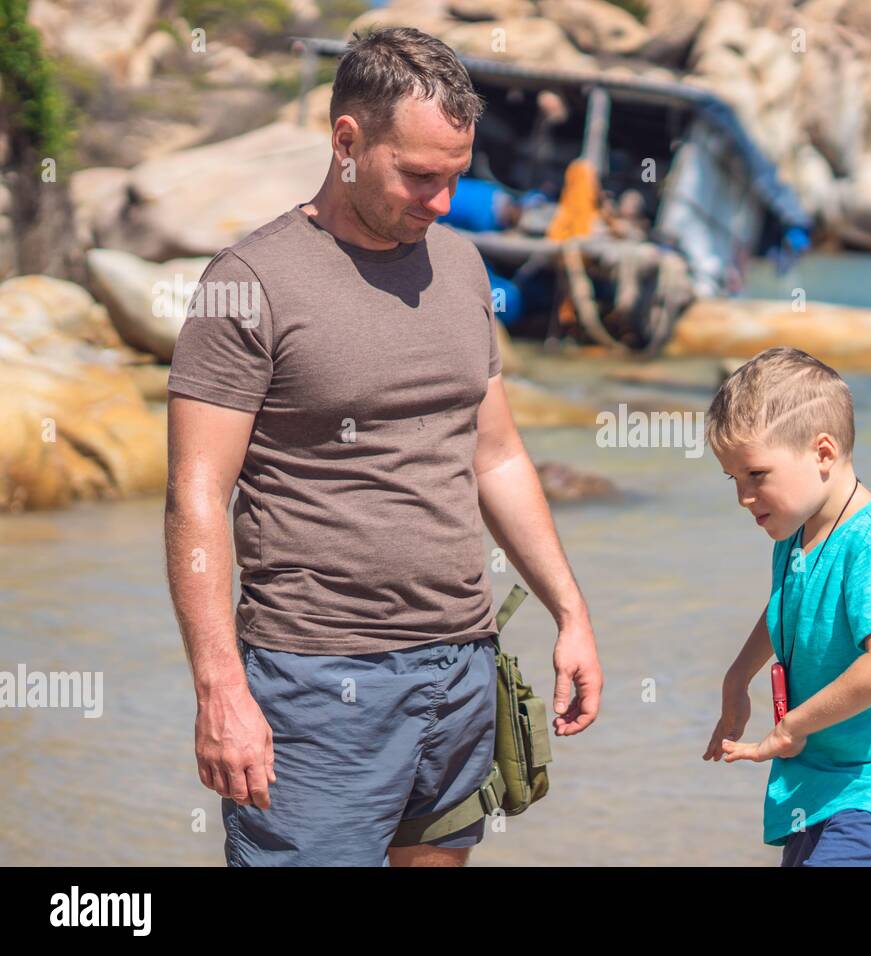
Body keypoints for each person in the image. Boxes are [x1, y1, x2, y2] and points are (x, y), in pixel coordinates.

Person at [163, 27, 602, 867]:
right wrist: (220, 689)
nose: (442, 203)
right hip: (315, 686)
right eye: (420, 176)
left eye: (456, 179)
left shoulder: (464, 269)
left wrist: (571, 614)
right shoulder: (248, 284)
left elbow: (497, 455)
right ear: (347, 142)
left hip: (464, 670)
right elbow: (195, 498)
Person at [701, 347, 871, 866]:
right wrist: (737, 678)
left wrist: (793, 726)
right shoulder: (796, 536)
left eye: (756, 475)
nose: (743, 497)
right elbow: (787, 607)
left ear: (822, 454)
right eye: (734, 480)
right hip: (820, 784)